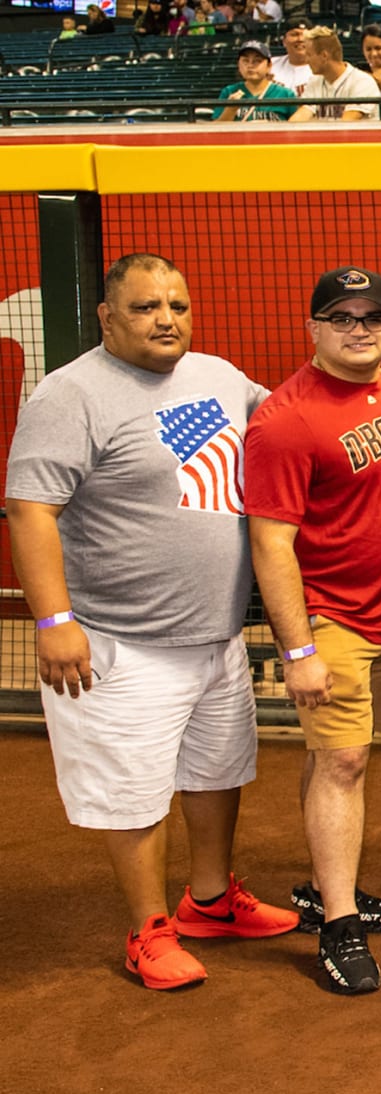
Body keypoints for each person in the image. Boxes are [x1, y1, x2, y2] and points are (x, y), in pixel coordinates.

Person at [6, 255, 293, 991]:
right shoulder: (70, 395)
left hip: (215, 633)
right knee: (131, 792)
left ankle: (208, 901)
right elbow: (31, 509)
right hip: (118, 642)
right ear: (107, 317)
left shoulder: (220, 377)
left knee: (217, 771)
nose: (166, 319)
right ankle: (148, 927)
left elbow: (292, 420)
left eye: (177, 305)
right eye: (145, 307)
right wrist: (53, 620)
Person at [243, 266, 381, 995]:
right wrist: (300, 648)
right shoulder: (284, 419)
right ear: (312, 327)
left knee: (339, 758)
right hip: (332, 619)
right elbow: (270, 542)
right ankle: (340, 927)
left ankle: (326, 887)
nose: (359, 331)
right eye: (342, 318)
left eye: (372, 318)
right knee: (344, 762)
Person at [288, 26, 378, 123]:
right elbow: (301, 116)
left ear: (324, 56)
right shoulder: (314, 81)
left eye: (309, 55)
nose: (307, 60)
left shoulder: (362, 82)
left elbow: (346, 124)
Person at [217, 42, 298, 122]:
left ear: (269, 66)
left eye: (257, 61)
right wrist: (230, 110)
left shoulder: (285, 94)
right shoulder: (229, 92)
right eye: (245, 61)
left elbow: (296, 127)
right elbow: (216, 129)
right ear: (238, 65)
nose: (250, 65)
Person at [270, 20, 316, 92]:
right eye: (294, 34)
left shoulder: (323, 69)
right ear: (284, 41)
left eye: (305, 35)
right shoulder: (270, 64)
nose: (300, 39)